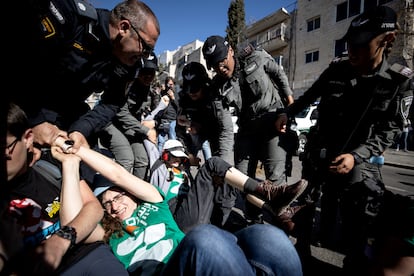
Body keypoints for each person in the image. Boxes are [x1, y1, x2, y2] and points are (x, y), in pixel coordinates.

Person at [275, 5, 413, 274]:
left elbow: (391, 129)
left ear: (388, 40)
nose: (352, 51)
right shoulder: (338, 68)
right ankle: (301, 251)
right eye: (349, 44)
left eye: (361, 45)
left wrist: (357, 156)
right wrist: (286, 113)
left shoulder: (398, 80)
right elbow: (309, 96)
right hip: (319, 151)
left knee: (358, 220)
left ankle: (354, 261)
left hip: (356, 160)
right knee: (306, 204)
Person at [56, 138, 304, 275]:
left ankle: (271, 206)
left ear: (131, 193)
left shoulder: (153, 202)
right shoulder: (106, 234)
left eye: (118, 196)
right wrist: (71, 163)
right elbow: (73, 222)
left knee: (267, 236)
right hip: (173, 269)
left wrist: (81, 150)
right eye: (106, 203)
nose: (113, 205)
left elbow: (119, 175)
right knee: (206, 238)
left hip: (194, 251)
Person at [13, 0, 160, 155]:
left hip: (68, 118)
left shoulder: (129, 64)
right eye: (146, 47)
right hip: (23, 108)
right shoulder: (70, 18)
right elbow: (21, 65)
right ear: (124, 27)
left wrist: (82, 129)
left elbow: (112, 103)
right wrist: (36, 120)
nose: (146, 55)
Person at [5, 102, 127, 275]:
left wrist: (60, 241)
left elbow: (93, 208)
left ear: (27, 139)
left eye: (5, 149)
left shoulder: (50, 164)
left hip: (89, 256)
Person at [202, 35, 296, 225]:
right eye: (214, 65)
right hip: (247, 129)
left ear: (230, 51)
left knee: (275, 178)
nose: (220, 68)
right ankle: (254, 220)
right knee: (244, 179)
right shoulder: (218, 87)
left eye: (221, 60)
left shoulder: (255, 57)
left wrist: (289, 107)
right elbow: (224, 128)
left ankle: (280, 225)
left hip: (272, 119)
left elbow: (278, 74)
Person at [145, 139, 308, 233]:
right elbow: (148, 142)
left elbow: (188, 163)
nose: (176, 161)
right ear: (164, 155)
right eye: (172, 157)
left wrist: (187, 163)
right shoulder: (158, 169)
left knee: (228, 178)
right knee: (213, 163)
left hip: (203, 215)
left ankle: (277, 212)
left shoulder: (184, 171)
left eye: (180, 158)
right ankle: (271, 194)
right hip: (179, 219)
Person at [176, 62, 238, 227]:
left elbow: (225, 131)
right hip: (197, 134)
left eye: (196, 87)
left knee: (225, 176)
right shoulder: (184, 98)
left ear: (204, 84)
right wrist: (186, 154)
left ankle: (222, 220)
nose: (192, 92)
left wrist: (223, 165)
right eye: (189, 88)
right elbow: (180, 130)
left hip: (218, 134)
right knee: (180, 162)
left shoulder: (215, 96)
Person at [102, 52, 162, 179]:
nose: (148, 76)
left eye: (152, 72)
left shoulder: (149, 90)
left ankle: (134, 195)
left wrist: (154, 123)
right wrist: (146, 130)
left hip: (131, 127)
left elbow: (159, 112)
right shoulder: (126, 83)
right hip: (112, 123)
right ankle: (116, 195)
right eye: (144, 72)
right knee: (126, 159)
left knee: (142, 160)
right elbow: (121, 112)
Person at [156, 77, 179, 153]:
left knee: (172, 140)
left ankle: (173, 157)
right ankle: (159, 158)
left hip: (172, 119)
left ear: (174, 85)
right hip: (163, 119)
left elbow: (179, 107)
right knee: (161, 141)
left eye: (171, 84)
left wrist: (173, 98)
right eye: (168, 84)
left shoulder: (177, 94)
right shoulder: (162, 93)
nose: (169, 86)